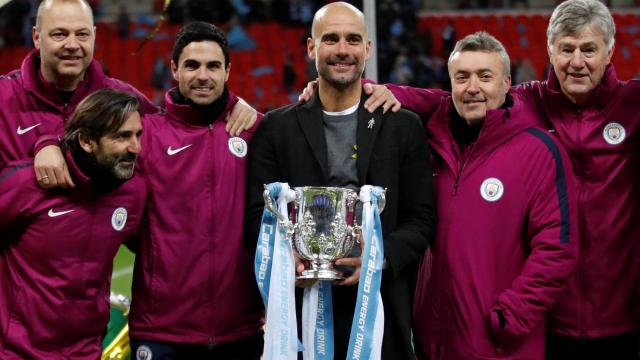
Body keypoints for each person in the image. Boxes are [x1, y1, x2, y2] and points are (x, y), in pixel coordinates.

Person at [351, 0, 640, 358]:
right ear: (550, 50)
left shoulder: (633, 104)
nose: (576, 62)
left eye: (588, 50)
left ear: (610, 51)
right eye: (566, 49)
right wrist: (370, 92)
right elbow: (454, 100)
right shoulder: (528, 101)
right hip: (547, 316)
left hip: (622, 313)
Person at [246, 3, 437, 358]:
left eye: (353, 40)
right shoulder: (276, 129)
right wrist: (289, 259)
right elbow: (258, 213)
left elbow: (422, 218)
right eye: (330, 38)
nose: (342, 50)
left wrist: (377, 256)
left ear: (368, 49)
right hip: (299, 313)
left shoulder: (403, 126)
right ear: (311, 47)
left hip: (381, 312)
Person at [412, 32, 577, 360]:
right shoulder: (432, 148)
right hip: (434, 343)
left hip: (501, 345)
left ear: (507, 83)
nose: (472, 87)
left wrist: (509, 318)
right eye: (462, 77)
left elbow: (557, 250)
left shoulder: (540, 151)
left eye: (485, 76)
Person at [126, 21, 265, 360]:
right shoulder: (146, 135)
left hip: (241, 328)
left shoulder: (256, 131)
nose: (203, 75)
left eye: (213, 66)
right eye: (192, 65)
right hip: (161, 331)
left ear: (228, 70)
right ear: (174, 69)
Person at [0, 89, 146, 359]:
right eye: (122, 136)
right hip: (16, 351)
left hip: (85, 352)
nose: (135, 147)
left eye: (138, 135)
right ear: (87, 141)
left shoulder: (133, 194)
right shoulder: (26, 185)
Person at [0, 0, 157, 184]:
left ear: (94, 36)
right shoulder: (4, 96)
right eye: (60, 34)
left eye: (82, 34)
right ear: (37, 37)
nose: (72, 44)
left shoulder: (126, 98)